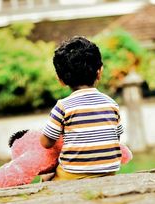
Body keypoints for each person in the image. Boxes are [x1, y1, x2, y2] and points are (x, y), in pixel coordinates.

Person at [40, 36, 124, 181]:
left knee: (46, 177)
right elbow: (116, 137)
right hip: (109, 171)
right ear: (100, 72)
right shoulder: (112, 104)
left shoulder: (63, 106)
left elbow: (46, 143)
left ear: (60, 79)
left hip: (72, 174)